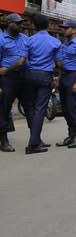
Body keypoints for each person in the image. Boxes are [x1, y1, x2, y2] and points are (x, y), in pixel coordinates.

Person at [24, 14, 61, 154]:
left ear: (34, 26)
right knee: (40, 109)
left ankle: (36, 139)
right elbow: (58, 63)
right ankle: (33, 144)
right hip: (45, 76)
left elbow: (24, 60)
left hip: (30, 75)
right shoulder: (55, 42)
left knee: (32, 108)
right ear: (47, 26)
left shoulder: (28, 41)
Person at [55, 20, 76, 149]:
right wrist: (59, 78)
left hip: (74, 76)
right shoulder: (64, 44)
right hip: (64, 76)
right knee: (65, 108)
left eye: (66, 28)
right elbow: (62, 64)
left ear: (74, 30)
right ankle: (70, 135)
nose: (64, 30)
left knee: (72, 107)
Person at [0, 13, 29, 153]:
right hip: (8, 78)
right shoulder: (0, 39)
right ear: (8, 23)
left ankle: (35, 139)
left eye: (21, 23)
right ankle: (4, 141)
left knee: (30, 108)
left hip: (24, 77)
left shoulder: (25, 38)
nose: (20, 25)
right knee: (4, 109)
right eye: (17, 23)